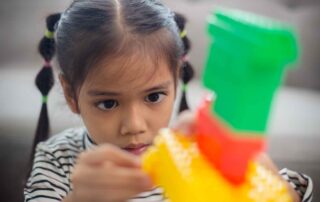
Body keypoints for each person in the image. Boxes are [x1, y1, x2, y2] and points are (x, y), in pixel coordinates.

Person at [24, 0, 313, 202]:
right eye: (108, 103)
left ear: (176, 80)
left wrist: (264, 181)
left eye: (153, 96)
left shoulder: (200, 153)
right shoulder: (57, 160)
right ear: (72, 95)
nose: (134, 126)